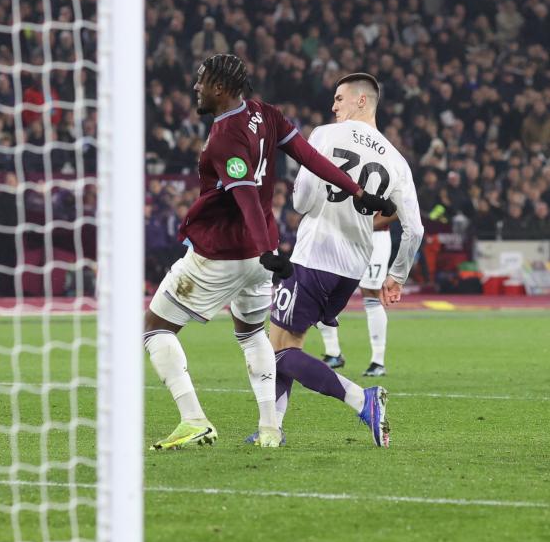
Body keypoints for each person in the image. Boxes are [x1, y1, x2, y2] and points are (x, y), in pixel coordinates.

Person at [145, 55, 395, 451]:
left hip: (222, 253)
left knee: (155, 328)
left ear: (221, 89)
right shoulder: (265, 114)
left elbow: (243, 196)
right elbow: (310, 159)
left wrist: (269, 249)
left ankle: (193, 419)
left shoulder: (225, 136)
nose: (196, 88)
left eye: (202, 82)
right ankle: (269, 430)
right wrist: (358, 191)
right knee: (251, 335)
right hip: (258, 259)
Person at [264, 73, 423, 447]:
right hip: (352, 268)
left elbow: (302, 198)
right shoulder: (398, 161)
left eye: (339, 98)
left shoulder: (325, 134)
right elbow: (414, 229)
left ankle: (361, 399)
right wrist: (396, 277)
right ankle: (272, 431)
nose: (333, 106)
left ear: (361, 101)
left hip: (315, 254)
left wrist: (301, 203)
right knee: (285, 343)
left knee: (278, 349)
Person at [316, 213, 396, 377]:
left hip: (374, 237)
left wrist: (365, 226)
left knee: (371, 294)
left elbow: (396, 209)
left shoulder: (390, 185)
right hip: (341, 235)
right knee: (323, 290)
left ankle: (377, 362)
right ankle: (333, 353)